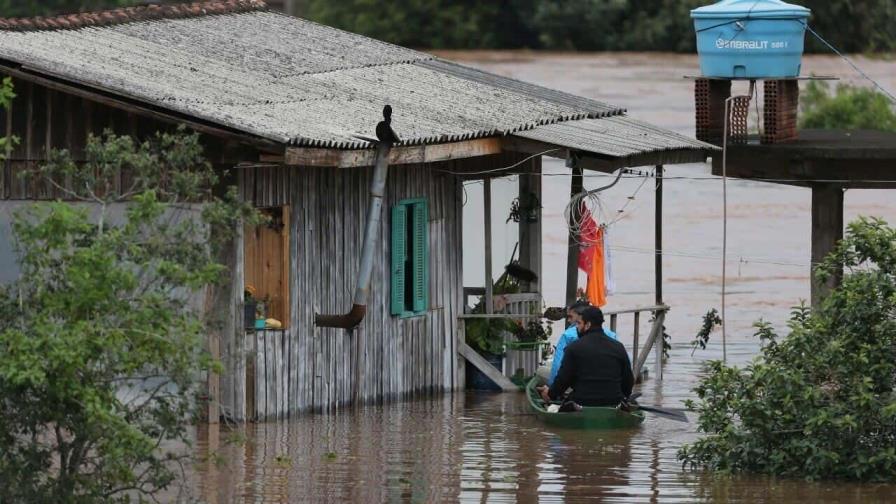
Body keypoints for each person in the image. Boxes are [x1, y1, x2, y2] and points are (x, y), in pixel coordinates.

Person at [538, 306, 633, 407]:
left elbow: (563, 381)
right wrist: (622, 398)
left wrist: (550, 394)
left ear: (587, 325)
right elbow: (628, 382)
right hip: (614, 402)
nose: (577, 328)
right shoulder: (618, 347)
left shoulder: (573, 348)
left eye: (579, 323)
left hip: (581, 403)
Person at [547, 302, 618, 386]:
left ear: (581, 316)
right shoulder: (612, 336)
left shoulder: (568, 336)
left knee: (541, 372)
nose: (568, 320)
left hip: (579, 389)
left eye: (570, 317)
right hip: (611, 388)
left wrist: (551, 389)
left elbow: (557, 366)